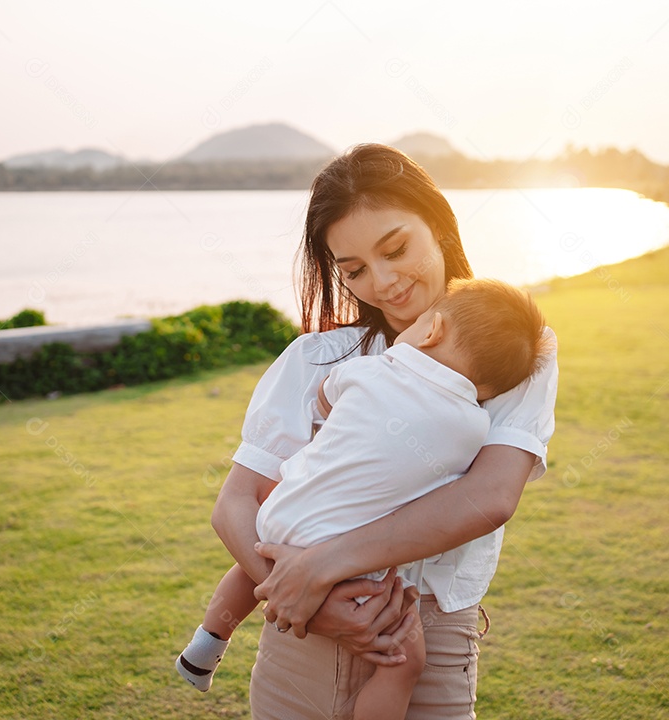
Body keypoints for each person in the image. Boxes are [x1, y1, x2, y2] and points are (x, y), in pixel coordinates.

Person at [210, 143, 559, 719]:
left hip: (425, 645)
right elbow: (237, 502)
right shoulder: (316, 358)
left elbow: (490, 497)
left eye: (396, 249)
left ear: (439, 226)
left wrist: (325, 565)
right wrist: (309, 601)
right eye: (355, 270)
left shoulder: (515, 352)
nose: (385, 281)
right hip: (299, 643)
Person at [176, 278, 550, 720]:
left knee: (252, 566)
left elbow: (325, 399)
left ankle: (206, 645)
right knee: (404, 663)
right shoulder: (473, 426)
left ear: (430, 332)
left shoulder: (370, 369)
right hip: (352, 556)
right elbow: (467, 489)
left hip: (283, 515)